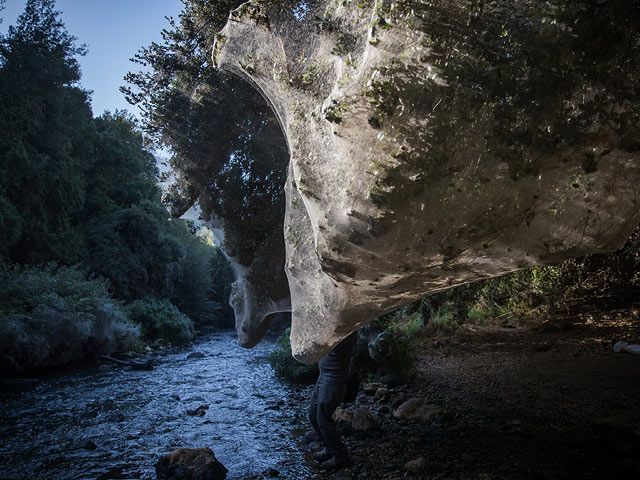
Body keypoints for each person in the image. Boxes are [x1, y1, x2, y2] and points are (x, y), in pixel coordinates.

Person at [309, 332, 357, 470]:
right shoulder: (334, 326)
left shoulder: (344, 329)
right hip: (323, 377)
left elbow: (315, 345)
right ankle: (329, 449)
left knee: (323, 419)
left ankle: (341, 456)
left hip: (334, 380)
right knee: (312, 415)